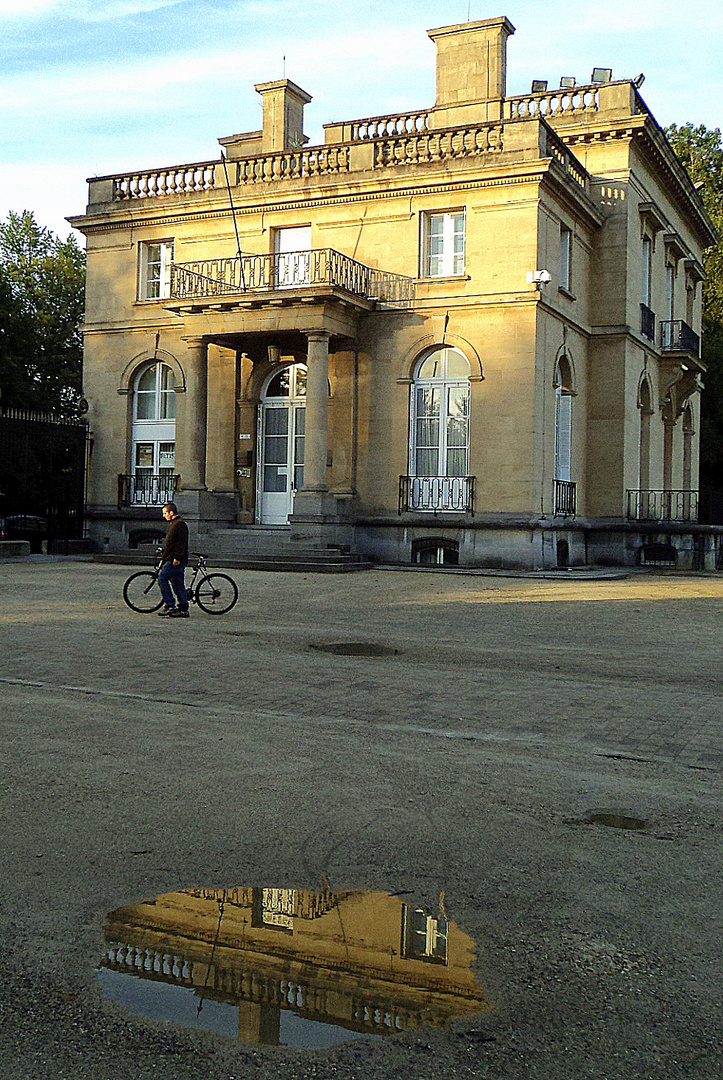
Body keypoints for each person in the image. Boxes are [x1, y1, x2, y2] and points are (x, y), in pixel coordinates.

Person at [157, 502, 190, 618]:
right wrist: (165, 550)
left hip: (175, 559)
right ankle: (183, 608)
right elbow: (173, 543)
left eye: (165, 513)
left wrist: (177, 557)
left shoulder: (179, 524)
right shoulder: (175, 524)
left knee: (162, 578)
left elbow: (181, 543)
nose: (164, 515)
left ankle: (170, 605)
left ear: (171, 513)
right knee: (177, 583)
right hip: (173, 557)